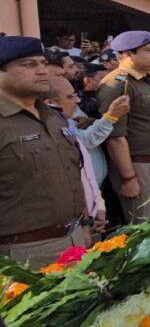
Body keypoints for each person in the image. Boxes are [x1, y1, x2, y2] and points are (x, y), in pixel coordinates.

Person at [0, 37, 86, 267]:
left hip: (74, 238)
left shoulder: (50, 114)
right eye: (29, 65)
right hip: (25, 253)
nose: (42, 71)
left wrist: (84, 224)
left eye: (42, 63)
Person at [97, 31, 150, 224]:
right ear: (127, 54)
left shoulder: (146, 81)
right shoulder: (118, 84)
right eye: (148, 50)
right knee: (144, 231)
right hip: (140, 168)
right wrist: (128, 178)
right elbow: (115, 137)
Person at [44, 76, 129, 244]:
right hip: (76, 221)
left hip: (93, 209)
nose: (77, 100)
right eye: (70, 97)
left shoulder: (68, 120)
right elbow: (87, 142)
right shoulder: (52, 129)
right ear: (50, 102)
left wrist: (99, 206)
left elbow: (86, 174)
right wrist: (110, 116)